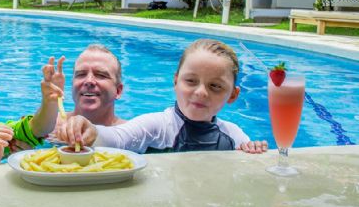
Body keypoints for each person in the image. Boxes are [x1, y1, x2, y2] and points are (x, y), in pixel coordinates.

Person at [56, 39, 268, 154]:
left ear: (232, 95)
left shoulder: (234, 135)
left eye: (215, 86)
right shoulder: (157, 126)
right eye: (191, 81)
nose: (201, 92)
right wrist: (91, 131)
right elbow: (119, 139)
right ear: (175, 82)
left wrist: (253, 150)